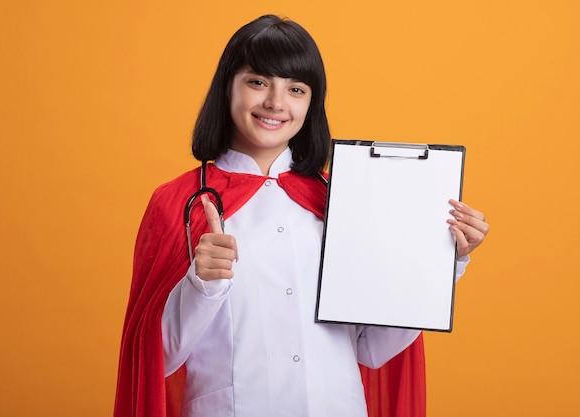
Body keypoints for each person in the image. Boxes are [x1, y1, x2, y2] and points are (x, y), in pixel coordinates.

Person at [113, 14, 489, 417]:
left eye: (296, 89)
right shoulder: (178, 203)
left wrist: (441, 261)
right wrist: (202, 285)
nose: (276, 102)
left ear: (311, 104)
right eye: (258, 82)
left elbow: (373, 350)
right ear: (228, 87)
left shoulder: (341, 199)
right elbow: (157, 359)